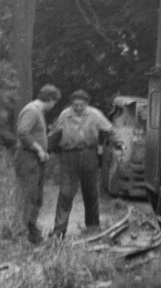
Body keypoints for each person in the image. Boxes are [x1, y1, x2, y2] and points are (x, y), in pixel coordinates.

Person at [49, 90, 120, 238]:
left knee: (91, 192)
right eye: (75, 105)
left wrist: (119, 142)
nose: (78, 108)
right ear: (71, 104)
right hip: (69, 157)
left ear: (86, 104)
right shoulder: (65, 115)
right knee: (65, 194)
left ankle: (93, 228)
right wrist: (48, 151)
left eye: (81, 105)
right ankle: (59, 231)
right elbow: (54, 135)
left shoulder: (94, 114)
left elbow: (109, 130)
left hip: (89, 155)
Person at [15, 84, 61, 244]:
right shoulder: (32, 111)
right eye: (54, 102)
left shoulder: (38, 112)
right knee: (28, 196)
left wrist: (43, 150)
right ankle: (21, 235)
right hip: (28, 158)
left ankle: (31, 232)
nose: (53, 105)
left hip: (36, 159)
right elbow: (23, 132)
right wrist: (39, 149)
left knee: (36, 197)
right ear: (50, 99)